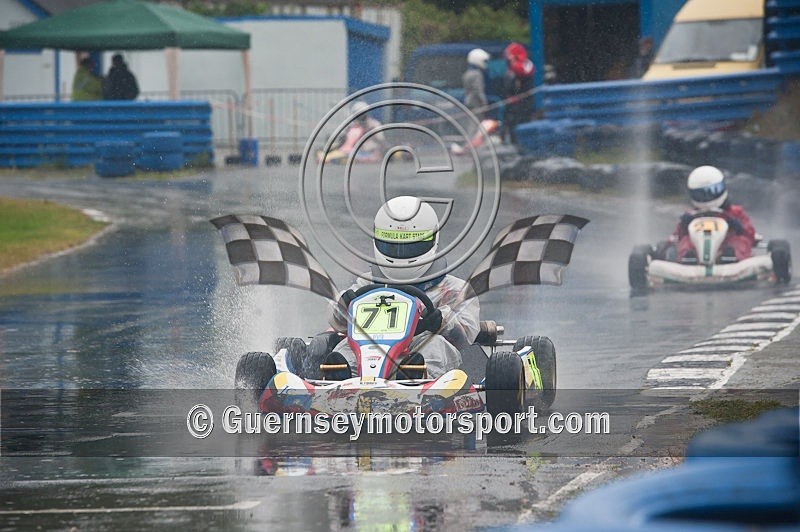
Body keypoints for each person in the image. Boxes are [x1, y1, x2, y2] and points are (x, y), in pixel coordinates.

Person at [326, 196, 480, 379]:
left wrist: (441, 321)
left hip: (419, 348)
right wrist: (344, 305)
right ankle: (340, 380)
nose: (401, 252)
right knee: (344, 348)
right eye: (392, 244)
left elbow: (466, 337)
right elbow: (337, 322)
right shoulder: (367, 283)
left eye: (411, 245)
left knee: (436, 346)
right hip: (368, 349)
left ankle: (414, 379)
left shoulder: (455, 289)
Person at [667, 166, 756, 263]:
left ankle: (731, 258)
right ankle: (688, 258)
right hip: (698, 248)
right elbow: (677, 237)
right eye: (702, 194)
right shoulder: (691, 215)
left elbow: (751, 235)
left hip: (726, 245)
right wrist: (684, 225)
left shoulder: (735, 212)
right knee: (686, 241)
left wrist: (738, 226)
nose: (707, 196)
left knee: (740, 241)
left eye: (712, 190)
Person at [319, 101, 386, 163]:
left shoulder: (374, 125)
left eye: (361, 114)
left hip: (368, 151)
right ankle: (330, 153)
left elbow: (381, 140)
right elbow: (346, 140)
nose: (359, 117)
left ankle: (333, 156)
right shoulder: (353, 126)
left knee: (348, 154)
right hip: (354, 149)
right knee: (340, 149)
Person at [501, 42, 535, 145]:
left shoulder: (524, 67)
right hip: (513, 105)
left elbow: (522, 75)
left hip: (521, 105)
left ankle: (520, 147)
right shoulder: (512, 70)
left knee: (518, 126)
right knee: (510, 126)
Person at [463, 48, 490, 119]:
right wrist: (484, 104)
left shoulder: (467, 73)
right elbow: (478, 91)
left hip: (468, 103)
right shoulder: (477, 74)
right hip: (476, 105)